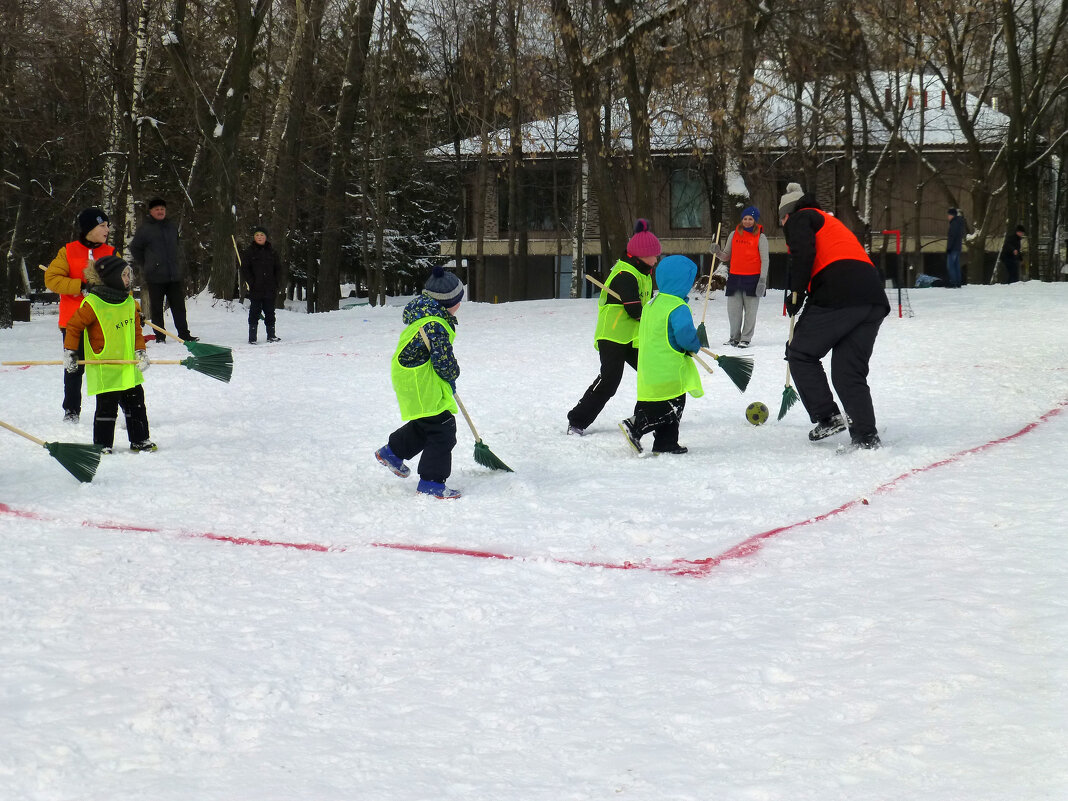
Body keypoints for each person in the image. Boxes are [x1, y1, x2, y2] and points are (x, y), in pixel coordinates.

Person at [779, 182, 890, 450]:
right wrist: (798, 292)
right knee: (847, 371)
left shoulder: (800, 217)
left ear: (787, 213)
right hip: (872, 296)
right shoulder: (830, 221)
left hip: (839, 291)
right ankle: (865, 437)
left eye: (781, 218)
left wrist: (796, 292)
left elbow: (802, 254)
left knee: (800, 353)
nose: (783, 224)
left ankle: (827, 417)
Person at [374, 266, 464, 499]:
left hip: (411, 378)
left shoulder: (424, 315)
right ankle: (432, 483)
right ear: (447, 302)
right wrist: (453, 373)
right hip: (419, 382)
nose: (460, 305)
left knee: (428, 423)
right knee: (443, 428)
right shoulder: (435, 324)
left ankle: (393, 452)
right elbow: (443, 360)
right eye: (458, 300)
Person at [566, 219, 660, 436]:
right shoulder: (624, 275)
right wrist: (657, 320)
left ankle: (646, 416)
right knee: (609, 381)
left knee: (652, 373)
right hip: (613, 336)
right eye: (654, 255)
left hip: (632, 336)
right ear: (640, 256)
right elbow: (636, 311)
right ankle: (577, 420)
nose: (657, 259)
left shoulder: (642, 271)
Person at [62, 255, 156, 454]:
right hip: (106, 366)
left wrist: (140, 351)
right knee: (107, 409)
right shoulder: (93, 304)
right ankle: (102, 444)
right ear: (112, 277)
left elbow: (137, 331)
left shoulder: (130, 302)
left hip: (128, 365)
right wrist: (70, 352)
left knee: (136, 404)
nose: (128, 279)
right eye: (123, 275)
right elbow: (73, 326)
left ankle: (140, 439)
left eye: (128, 274)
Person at [619, 254, 703, 455]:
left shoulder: (651, 304)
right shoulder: (678, 307)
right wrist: (693, 345)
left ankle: (666, 443)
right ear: (683, 281)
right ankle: (635, 426)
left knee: (653, 403)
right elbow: (684, 334)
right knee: (672, 406)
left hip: (649, 367)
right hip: (668, 369)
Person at [44, 207, 117, 423]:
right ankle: (71, 410)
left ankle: (114, 406)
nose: (107, 229)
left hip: (103, 321)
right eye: (102, 225)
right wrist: (80, 286)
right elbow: (52, 279)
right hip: (72, 321)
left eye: (107, 225)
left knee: (109, 365)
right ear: (89, 229)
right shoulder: (67, 251)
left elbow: (124, 284)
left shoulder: (112, 252)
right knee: (74, 367)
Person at [129, 197, 196, 343]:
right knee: (157, 308)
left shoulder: (171, 226)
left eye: (162, 209)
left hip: (174, 275)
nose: (160, 211)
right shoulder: (145, 229)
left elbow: (177, 247)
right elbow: (135, 248)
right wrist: (147, 264)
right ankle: (160, 336)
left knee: (179, 306)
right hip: (155, 276)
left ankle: (184, 334)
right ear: (151, 211)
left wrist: (178, 264)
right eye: (157, 209)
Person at [711, 205, 769, 348]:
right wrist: (717, 252)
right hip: (735, 278)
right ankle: (734, 338)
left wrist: (762, 280)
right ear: (742, 219)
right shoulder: (733, 234)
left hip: (753, 279)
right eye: (745, 218)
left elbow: (765, 260)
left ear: (755, 221)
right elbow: (726, 256)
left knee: (750, 312)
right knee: (734, 311)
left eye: (750, 219)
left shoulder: (761, 237)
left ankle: (745, 338)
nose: (747, 221)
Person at [240, 225, 285, 343]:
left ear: (266, 237)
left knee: (270, 311)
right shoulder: (249, 252)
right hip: (256, 288)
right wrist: (252, 282)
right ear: (254, 237)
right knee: (254, 312)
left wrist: (276, 283)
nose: (259, 237)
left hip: (270, 288)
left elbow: (278, 269)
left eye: (262, 235)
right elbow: (245, 269)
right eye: (257, 235)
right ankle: (252, 337)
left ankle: (271, 335)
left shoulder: (272, 252)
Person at [945, 207, 965, 288]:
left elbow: (952, 236)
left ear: (952, 215)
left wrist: (949, 247)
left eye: (948, 215)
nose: (947, 217)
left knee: (951, 265)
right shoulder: (959, 222)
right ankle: (958, 282)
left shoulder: (954, 223)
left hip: (953, 248)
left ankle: (953, 282)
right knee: (956, 265)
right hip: (958, 247)